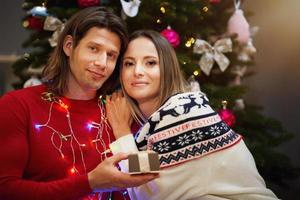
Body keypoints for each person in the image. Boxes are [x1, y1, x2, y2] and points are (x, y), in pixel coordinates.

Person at [0, 8, 157, 200]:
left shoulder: (120, 110)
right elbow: (6, 189)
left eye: (111, 55)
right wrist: (90, 183)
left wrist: (123, 130)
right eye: (94, 49)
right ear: (68, 46)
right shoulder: (18, 105)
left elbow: (150, 182)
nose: (102, 62)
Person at [106, 30, 278, 200]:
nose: (137, 71)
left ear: (167, 69)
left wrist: (121, 131)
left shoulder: (183, 112)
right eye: (129, 63)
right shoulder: (161, 120)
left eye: (150, 63)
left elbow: (148, 191)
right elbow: (150, 171)